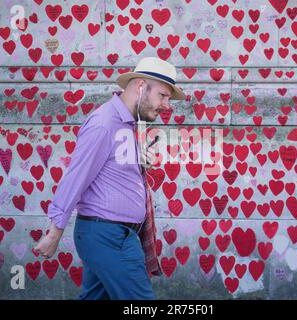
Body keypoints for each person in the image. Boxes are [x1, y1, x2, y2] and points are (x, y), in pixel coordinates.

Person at [34, 57, 186, 300]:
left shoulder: (127, 124)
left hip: (110, 235)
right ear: (140, 86)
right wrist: (54, 233)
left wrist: (138, 161)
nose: (167, 105)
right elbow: (76, 178)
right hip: (111, 237)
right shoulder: (105, 123)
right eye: (163, 96)